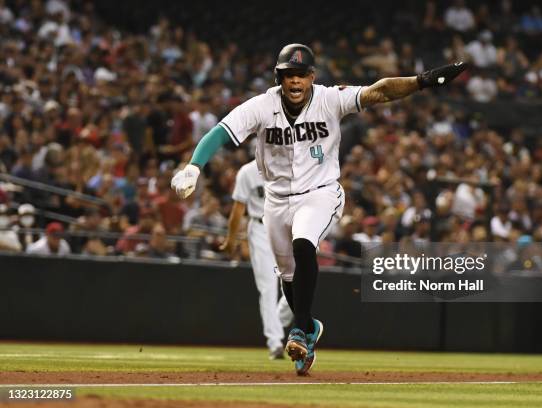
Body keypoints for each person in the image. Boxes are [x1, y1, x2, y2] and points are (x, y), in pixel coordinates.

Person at [172, 43, 467, 375]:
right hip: (276, 199)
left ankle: (299, 331)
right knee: (286, 275)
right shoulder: (260, 106)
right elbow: (219, 133)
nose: (295, 82)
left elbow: (379, 92)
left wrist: (423, 80)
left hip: (320, 192)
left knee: (303, 243)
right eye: (288, 76)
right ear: (279, 78)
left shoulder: (330, 98)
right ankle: (309, 328)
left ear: (311, 77)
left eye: (301, 75)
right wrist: (194, 167)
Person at [220, 159, 293, 360]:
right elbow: (237, 210)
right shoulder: (247, 172)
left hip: (287, 228)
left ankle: (275, 321)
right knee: (268, 287)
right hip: (260, 229)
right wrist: (231, 240)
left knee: (297, 283)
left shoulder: (291, 166)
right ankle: (275, 343)